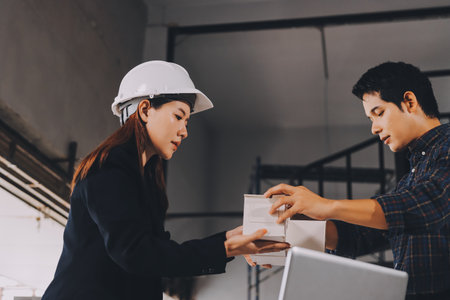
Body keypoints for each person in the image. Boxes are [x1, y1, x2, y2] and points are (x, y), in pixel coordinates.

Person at [42, 60, 289, 300]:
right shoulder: (109, 168)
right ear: (146, 110)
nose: (184, 130)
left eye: (187, 120)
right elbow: (135, 254)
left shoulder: (144, 178)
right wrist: (227, 248)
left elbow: (157, 252)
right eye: (178, 116)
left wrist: (227, 239)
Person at [263, 62, 449, 299]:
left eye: (378, 113)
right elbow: (360, 236)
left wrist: (327, 206)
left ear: (409, 102)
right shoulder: (408, 182)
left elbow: (430, 204)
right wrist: (290, 231)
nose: (373, 128)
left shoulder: (445, 149)